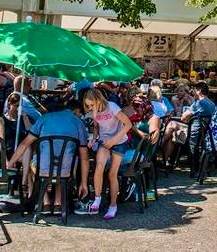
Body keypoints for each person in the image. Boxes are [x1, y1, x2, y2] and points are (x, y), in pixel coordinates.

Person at [7, 96, 90, 213]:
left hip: (42, 169)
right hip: (67, 171)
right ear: (74, 111)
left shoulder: (43, 119)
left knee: (35, 162)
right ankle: (58, 203)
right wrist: (84, 183)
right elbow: (85, 157)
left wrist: (10, 163)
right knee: (65, 162)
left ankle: (45, 201)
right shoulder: (78, 122)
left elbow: (25, 143)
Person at [82, 88, 132, 220]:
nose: (90, 107)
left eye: (91, 104)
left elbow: (128, 124)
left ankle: (113, 205)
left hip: (119, 140)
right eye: (88, 105)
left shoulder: (112, 107)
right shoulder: (93, 111)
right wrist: (94, 138)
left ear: (98, 100)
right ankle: (97, 198)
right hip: (104, 141)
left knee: (112, 173)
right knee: (99, 167)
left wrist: (115, 140)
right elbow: (97, 127)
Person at [0, 92, 34, 193]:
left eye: (20, 106)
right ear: (10, 104)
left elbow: (31, 134)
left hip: (22, 151)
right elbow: (1, 141)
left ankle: (24, 182)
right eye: (16, 106)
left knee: (28, 151)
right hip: (9, 151)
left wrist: (25, 119)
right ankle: (26, 187)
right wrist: (6, 160)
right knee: (28, 159)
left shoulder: (21, 119)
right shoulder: (2, 120)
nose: (18, 108)